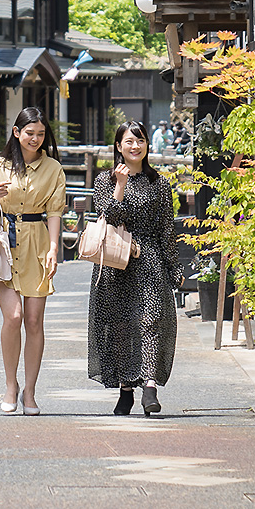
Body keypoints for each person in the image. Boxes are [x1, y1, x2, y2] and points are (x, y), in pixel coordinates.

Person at [88, 120, 181, 416]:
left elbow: (167, 228)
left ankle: (149, 386)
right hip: (116, 260)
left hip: (150, 258)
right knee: (120, 326)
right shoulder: (105, 179)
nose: (135, 146)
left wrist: (173, 266)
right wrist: (121, 185)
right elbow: (108, 216)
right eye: (129, 141)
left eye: (140, 141)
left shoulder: (160, 183)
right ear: (118, 146)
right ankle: (126, 389)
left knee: (151, 320)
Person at [0, 107, 66, 415]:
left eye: (41, 134)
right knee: (13, 316)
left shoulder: (53, 168)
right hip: (2, 242)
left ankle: (30, 391)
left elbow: (54, 211)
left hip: (37, 243)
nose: (35, 139)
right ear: (16, 132)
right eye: (30, 133)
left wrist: (54, 247)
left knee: (34, 321)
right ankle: (10, 385)